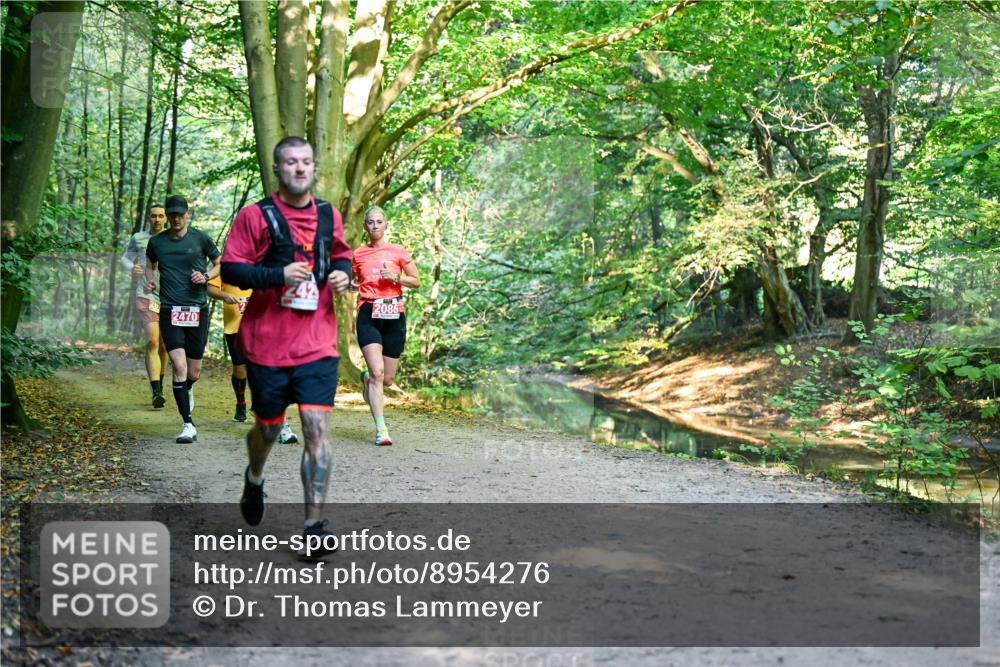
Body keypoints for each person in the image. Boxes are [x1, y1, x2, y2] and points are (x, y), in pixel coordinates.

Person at [220, 136, 351, 558]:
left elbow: (344, 257)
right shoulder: (255, 216)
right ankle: (255, 476)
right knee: (270, 429)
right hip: (267, 346)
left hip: (318, 344)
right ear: (277, 169)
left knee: (316, 429)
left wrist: (342, 276)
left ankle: (314, 526)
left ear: (314, 168)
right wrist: (277, 275)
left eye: (306, 162)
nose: (299, 169)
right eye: (290, 162)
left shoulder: (330, 215)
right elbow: (233, 268)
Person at [145, 195, 221, 444]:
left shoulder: (200, 238)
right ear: (167, 215)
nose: (176, 218)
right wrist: (150, 278)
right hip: (170, 309)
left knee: (194, 372)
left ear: (187, 214)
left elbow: (220, 262)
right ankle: (187, 423)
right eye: (172, 214)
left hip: (197, 309)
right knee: (178, 366)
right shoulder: (157, 242)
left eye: (181, 214)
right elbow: (150, 263)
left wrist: (207, 276)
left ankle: (187, 387)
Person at [352, 206, 420, 446]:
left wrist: (396, 278)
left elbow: (417, 281)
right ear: (365, 226)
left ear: (386, 225)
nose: (374, 226)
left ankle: (366, 382)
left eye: (379, 222)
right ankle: (382, 430)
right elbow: (353, 280)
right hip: (369, 313)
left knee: (388, 379)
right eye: (370, 222)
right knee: (377, 373)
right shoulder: (358, 254)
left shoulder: (398, 251)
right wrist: (350, 285)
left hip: (394, 315)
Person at [207, 275, 300, 444]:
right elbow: (210, 288)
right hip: (236, 329)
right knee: (240, 370)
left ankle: (283, 426)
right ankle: (241, 402)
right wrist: (224, 295)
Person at [120, 204, 168, 408]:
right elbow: (125, 257)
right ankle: (156, 392)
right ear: (148, 218)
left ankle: (161, 383)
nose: (157, 219)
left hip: (170, 296)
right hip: (146, 295)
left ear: (166, 218)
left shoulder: (173, 238)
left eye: (160, 216)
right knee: (152, 342)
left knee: (165, 346)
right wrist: (133, 267)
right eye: (153, 216)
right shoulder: (138, 238)